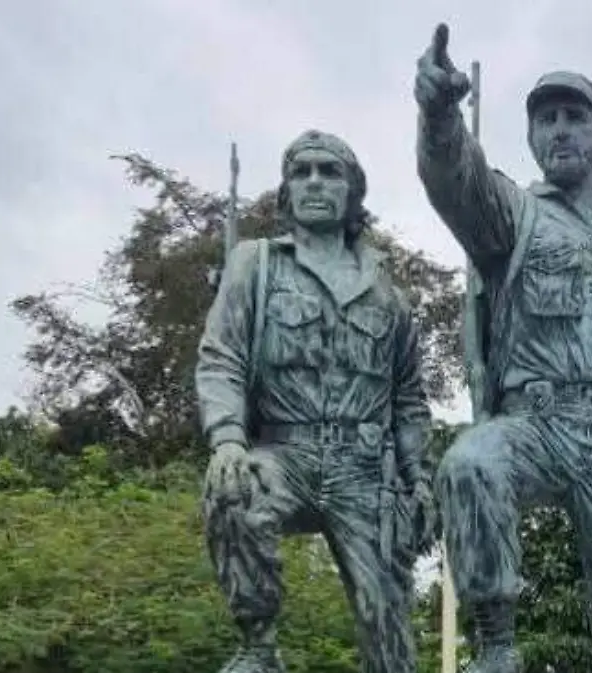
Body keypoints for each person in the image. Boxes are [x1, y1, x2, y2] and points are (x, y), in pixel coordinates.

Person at [413, 23, 592, 673]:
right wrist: (439, 114)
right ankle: (497, 648)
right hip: (538, 425)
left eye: (574, 117)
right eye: (547, 120)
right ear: (532, 138)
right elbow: (457, 182)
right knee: (471, 464)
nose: (560, 129)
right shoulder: (514, 213)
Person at [195, 129, 434, 673]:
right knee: (234, 490)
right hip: (286, 454)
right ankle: (258, 646)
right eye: (301, 173)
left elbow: (408, 398)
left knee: (389, 631)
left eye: (331, 172)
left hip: (367, 469)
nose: (315, 182)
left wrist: (418, 479)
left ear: (353, 192)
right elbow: (221, 357)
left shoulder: (387, 294)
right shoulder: (254, 265)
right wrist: (228, 439)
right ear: (286, 193)